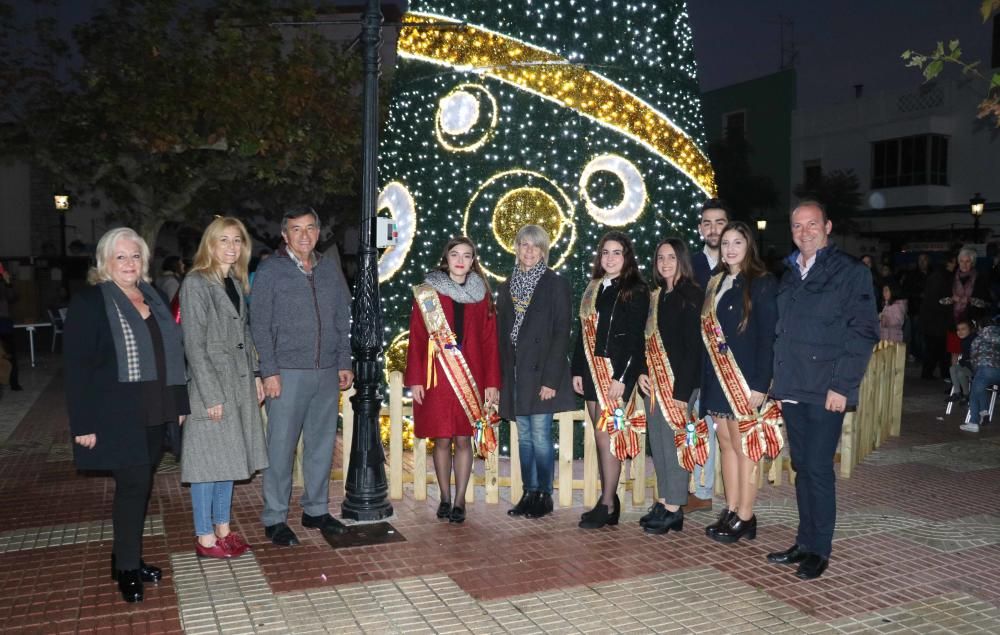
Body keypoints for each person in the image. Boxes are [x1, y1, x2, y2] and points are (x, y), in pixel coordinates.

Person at [64, 227, 190, 602]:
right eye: (120, 256)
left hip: (156, 408)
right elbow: (77, 368)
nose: (129, 263)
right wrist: (83, 423)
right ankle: (128, 569)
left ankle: (124, 556)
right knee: (134, 488)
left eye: (135, 256)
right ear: (105, 261)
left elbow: (172, 354)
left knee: (140, 486)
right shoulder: (91, 302)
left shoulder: (151, 295)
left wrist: (179, 404)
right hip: (116, 413)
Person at [768, 199, 879, 580]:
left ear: (827, 226)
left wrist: (841, 386)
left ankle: (820, 549)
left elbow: (864, 331)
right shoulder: (788, 272)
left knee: (817, 468)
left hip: (825, 387)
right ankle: (804, 540)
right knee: (802, 467)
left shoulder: (849, 273)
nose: (804, 232)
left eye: (811, 224)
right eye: (797, 226)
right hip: (793, 385)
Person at [250, 206, 354, 546]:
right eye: (297, 229)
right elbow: (260, 326)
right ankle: (275, 517)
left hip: (325, 371)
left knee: (321, 446)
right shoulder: (270, 271)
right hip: (287, 373)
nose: (305, 235)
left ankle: (316, 509)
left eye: (310, 228)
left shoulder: (329, 269)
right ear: (285, 234)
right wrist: (269, 372)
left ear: (318, 231)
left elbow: (342, 317)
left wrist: (343, 361)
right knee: (280, 447)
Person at [180, 217, 268, 559]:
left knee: (229, 459)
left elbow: (244, 333)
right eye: (224, 240)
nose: (231, 247)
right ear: (210, 244)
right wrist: (210, 395)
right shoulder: (196, 283)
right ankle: (204, 538)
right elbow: (194, 345)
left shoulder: (233, 279)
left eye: (237, 241)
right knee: (206, 464)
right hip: (212, 385)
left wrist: (257, 374)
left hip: (240, 381)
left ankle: (223, 529)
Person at [404, 237, 501, 523]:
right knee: (442, 440)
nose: (461, 260)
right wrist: (416, 379)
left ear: (474, 261)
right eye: (455, 254)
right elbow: (417, 338)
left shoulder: (481, 294)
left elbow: (490, 342)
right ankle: (445, 497)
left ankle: (460, 502)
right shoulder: (427, 293)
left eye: (467, 255)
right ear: (446, 258)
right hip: (438, 379)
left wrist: (493, 382)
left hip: (471, 378)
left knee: (463, 439)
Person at [699, 222, 778, 545]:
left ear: (749, 246)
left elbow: (767, 336)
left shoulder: (761, 282)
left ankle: (746, 514)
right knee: (728, 445)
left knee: (746, 447)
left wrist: (761, 384)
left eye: (737, 242)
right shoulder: (716, 282)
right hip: (718, 377)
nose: (730, 248)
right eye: (726, 243)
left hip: (745, 378)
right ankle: (732, 508)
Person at [496, 225, 575, 519]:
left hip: (542, 373)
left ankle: (544, 494)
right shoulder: (506, 286)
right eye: (524, 245)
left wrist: (551, 379)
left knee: (541, 435)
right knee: (523, 437)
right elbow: (503, 335)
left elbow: (561, 332)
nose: (529, 251)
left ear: (543, 251)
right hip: (516, 371)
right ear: (516, 248)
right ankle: (529, 492)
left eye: (535, 246)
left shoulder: (556, 284)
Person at [571, 231, 649, 529]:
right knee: (600, 438)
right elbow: (583, 334)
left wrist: (623, 377)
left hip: (615, 374)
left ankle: (606, 504)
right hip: (592, 372)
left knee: (608, 438)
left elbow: (635, 339)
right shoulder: (594, 288)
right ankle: (610, 501)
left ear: (626, 257)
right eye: (605, 252)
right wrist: (577, 369)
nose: (610, 258)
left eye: (617, 252)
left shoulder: (636, 290)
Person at [637, 238, 704, 535]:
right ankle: (664, 500)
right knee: (660, 444)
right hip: (655, 384)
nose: (665, 263)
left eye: (671, 257)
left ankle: (675, 508)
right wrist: (641, 371)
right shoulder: (657, 296)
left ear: (682, 261)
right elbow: (645, 341)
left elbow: (695, 349)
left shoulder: (691, 295)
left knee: (676, 446)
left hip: (679, 385)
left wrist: (681, 393)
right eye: (660, 258)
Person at [687, 199, 731, 513]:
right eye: (708, 223)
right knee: (700, 427)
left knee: (732, 434)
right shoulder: (689, 264)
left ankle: (737, 500)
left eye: (720, 222)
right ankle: (702, 490)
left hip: (732, 366)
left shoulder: (739, 262)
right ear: (701, 227)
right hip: (697, 362)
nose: (713, 228)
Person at [941, 247, 991, 364]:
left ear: (972, 262)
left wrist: (967, 300)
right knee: (954, 351)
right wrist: (952, 299)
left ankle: (969, 380)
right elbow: (941, 300)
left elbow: (985, 303)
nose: (964, 264)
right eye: (962, 261)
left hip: (971, 322)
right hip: (954, 321)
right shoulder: (951, 277)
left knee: (971, 352)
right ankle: (955, 380)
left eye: (967, 261)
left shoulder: (980, 278)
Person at [920, 253, 956, 380]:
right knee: (938, 348)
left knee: (934, 348)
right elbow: (937, 300)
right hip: (938, 320)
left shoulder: (937, 276)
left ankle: (929, 372)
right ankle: (940, 373)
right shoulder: (943, 278)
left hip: (933, 320)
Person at [963, 319, 1000, 432]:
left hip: (985, 369)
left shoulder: (978, 339)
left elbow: (974, 359)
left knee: (974, 392)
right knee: (981, 388)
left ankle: (973, 422)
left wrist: (975, 373)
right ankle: (984, 412)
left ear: (980, 327)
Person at [902, 253, 930, 362]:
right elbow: (906, 291)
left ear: (928, 261)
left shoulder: (932, 274)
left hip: (929, 310)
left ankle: (926, 355)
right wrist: (919, 295)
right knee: (916, 334)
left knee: (927, 334)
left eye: (924, 259)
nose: (922, 262)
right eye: (920, 260)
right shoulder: (912, 275)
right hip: (916, 308)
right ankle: (919, 355)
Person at [0, 261, 21, 392]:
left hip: (4, 323)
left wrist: (8, 282)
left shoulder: (3, 284)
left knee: (10, 354)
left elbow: (13, 297)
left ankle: (14, 382)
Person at [947, 320, 975, 405]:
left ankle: (966, 395)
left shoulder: (973, 340)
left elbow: (971, 358)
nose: (960, 332)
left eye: (963, 329)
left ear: (970, 330)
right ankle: (958, 393)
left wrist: (962, 361)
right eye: (958, 329)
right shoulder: (965, 340)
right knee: (952, 368)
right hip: (967, 366)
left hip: (975, 368)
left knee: (960, 373)